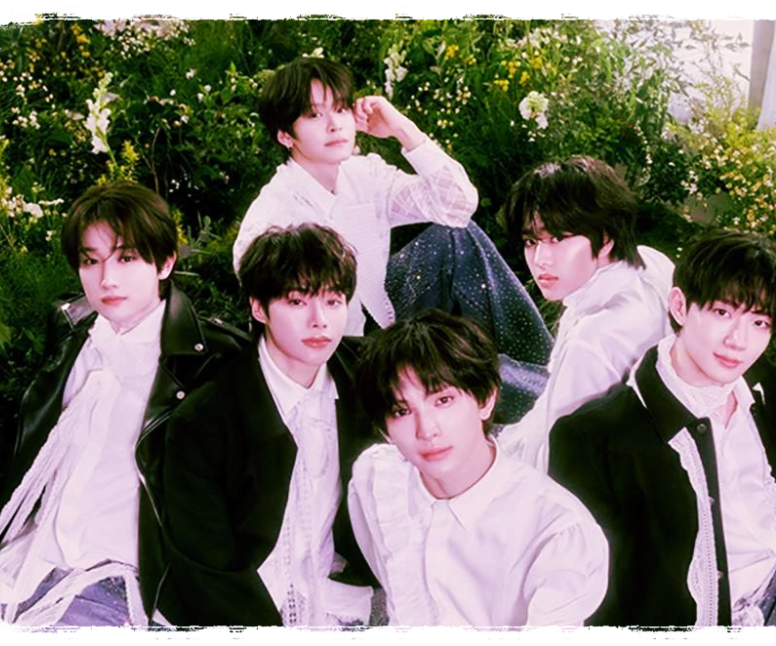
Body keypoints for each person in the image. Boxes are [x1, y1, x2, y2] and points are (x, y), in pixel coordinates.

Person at [549, 229, 776, 627]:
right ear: (680, 306)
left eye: (759, 322)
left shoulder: (757, 382)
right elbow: (588, 596)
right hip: (736, 611)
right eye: (722, 313)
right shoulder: (593, 435)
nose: (738, 341)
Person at [233, 56, 552, 422]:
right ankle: (531, 390)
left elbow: (457, 205)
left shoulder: (363, 175)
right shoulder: (272, 217)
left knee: (455, 235)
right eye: (315, 115)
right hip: (341, 354)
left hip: (382, 315)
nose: (334, 125)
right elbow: (279, 327)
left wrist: (403, 129)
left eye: (340, 109)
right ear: (285, 135)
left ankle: (545, 362)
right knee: (457, 366)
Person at [0, 182, 245, 626]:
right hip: (27, 563)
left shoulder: (210, 361)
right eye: (91, 261)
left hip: (122, 583)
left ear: (165, 262)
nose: (106, 279)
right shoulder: (73, 337)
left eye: (126, 258)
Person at [158, 224, 376, 626]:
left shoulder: (367, 377)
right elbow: (205, 564)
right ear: (259, 308)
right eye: (297, 301)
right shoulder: (206, 418)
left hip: (335, 595)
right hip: (237, 603)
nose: (320, 321)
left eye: (333, 301)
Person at [347, 310, 608, 626]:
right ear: (385, 430)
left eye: (443, 400)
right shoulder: (378, 479)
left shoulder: (556, 531)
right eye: (402, 411)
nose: (426, 430)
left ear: (485, 400)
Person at [497, 156, 675, 471]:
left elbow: (556, 460)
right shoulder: (651, 263)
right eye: (531, 241)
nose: (540, 259)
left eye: (558, 238)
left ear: (605, 238)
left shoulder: (590, 341)